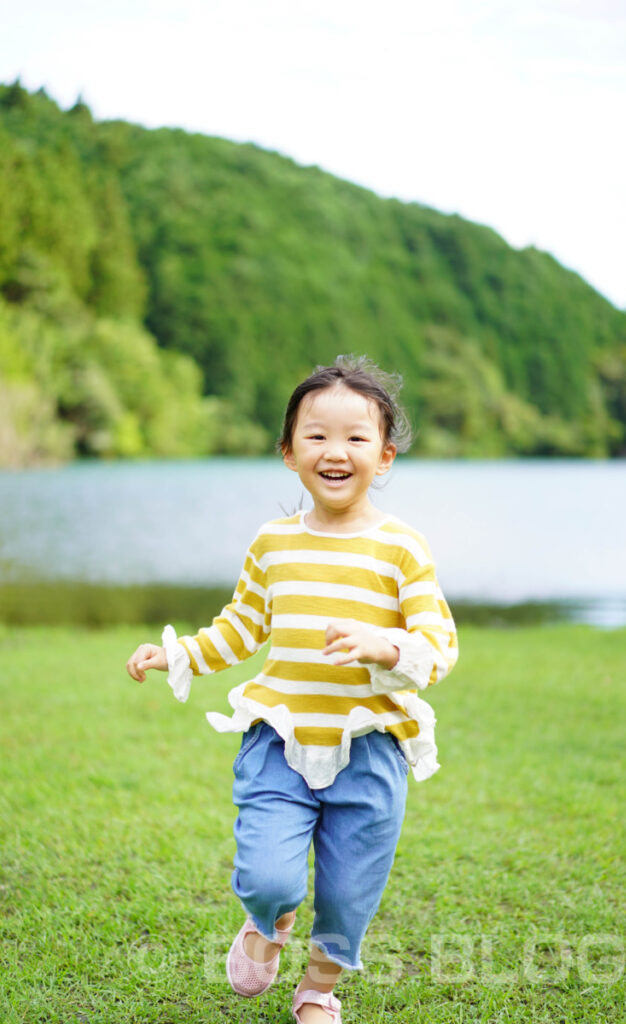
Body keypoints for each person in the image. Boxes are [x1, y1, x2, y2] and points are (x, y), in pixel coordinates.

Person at [126, 355, 458, 1024]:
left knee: (348, 892)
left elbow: (439, 645)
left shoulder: (401, 549)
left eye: (356, 438)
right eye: (316, 435)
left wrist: (384, 644)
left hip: (369, 749)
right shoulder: (273, 543)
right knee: (270, 875)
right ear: (287, 452)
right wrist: (178, 652)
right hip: (278, 738)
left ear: (384, 456)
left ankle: (318, 991)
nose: (335, 452)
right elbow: (242, 625)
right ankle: (267, 919)